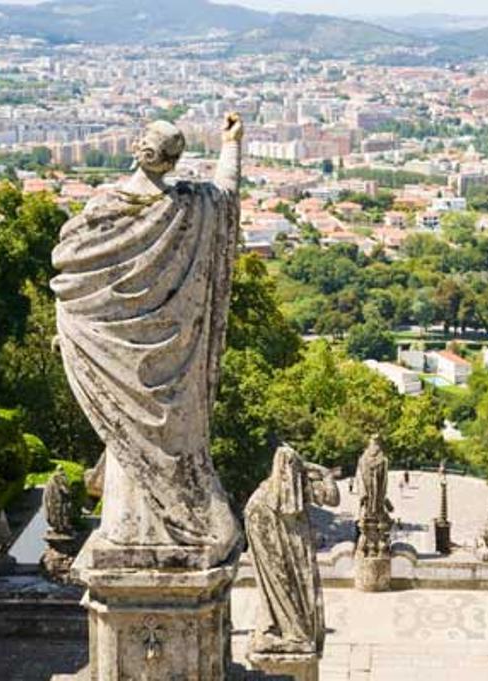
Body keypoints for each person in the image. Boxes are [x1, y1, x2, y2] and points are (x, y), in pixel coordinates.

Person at [51, 114, 243, 562]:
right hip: (175, 369)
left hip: (116, 364)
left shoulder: (104, 210)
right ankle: (176, 525)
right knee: (169, 446)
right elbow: (227, 197)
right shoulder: (192, 206)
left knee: (126, 443)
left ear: (139, 150)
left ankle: (127, 529)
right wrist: (231, 144)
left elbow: (71, 277)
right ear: (172, 161)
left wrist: (78, 335)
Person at [245, 444, 340, 655]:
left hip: (295, 552)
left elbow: (332, 499)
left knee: (295, 587)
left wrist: (325, 474)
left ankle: (295, 632)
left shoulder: (298, 485)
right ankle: (289, 631)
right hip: (274, 549)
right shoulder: (262, 499)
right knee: (279, 583)